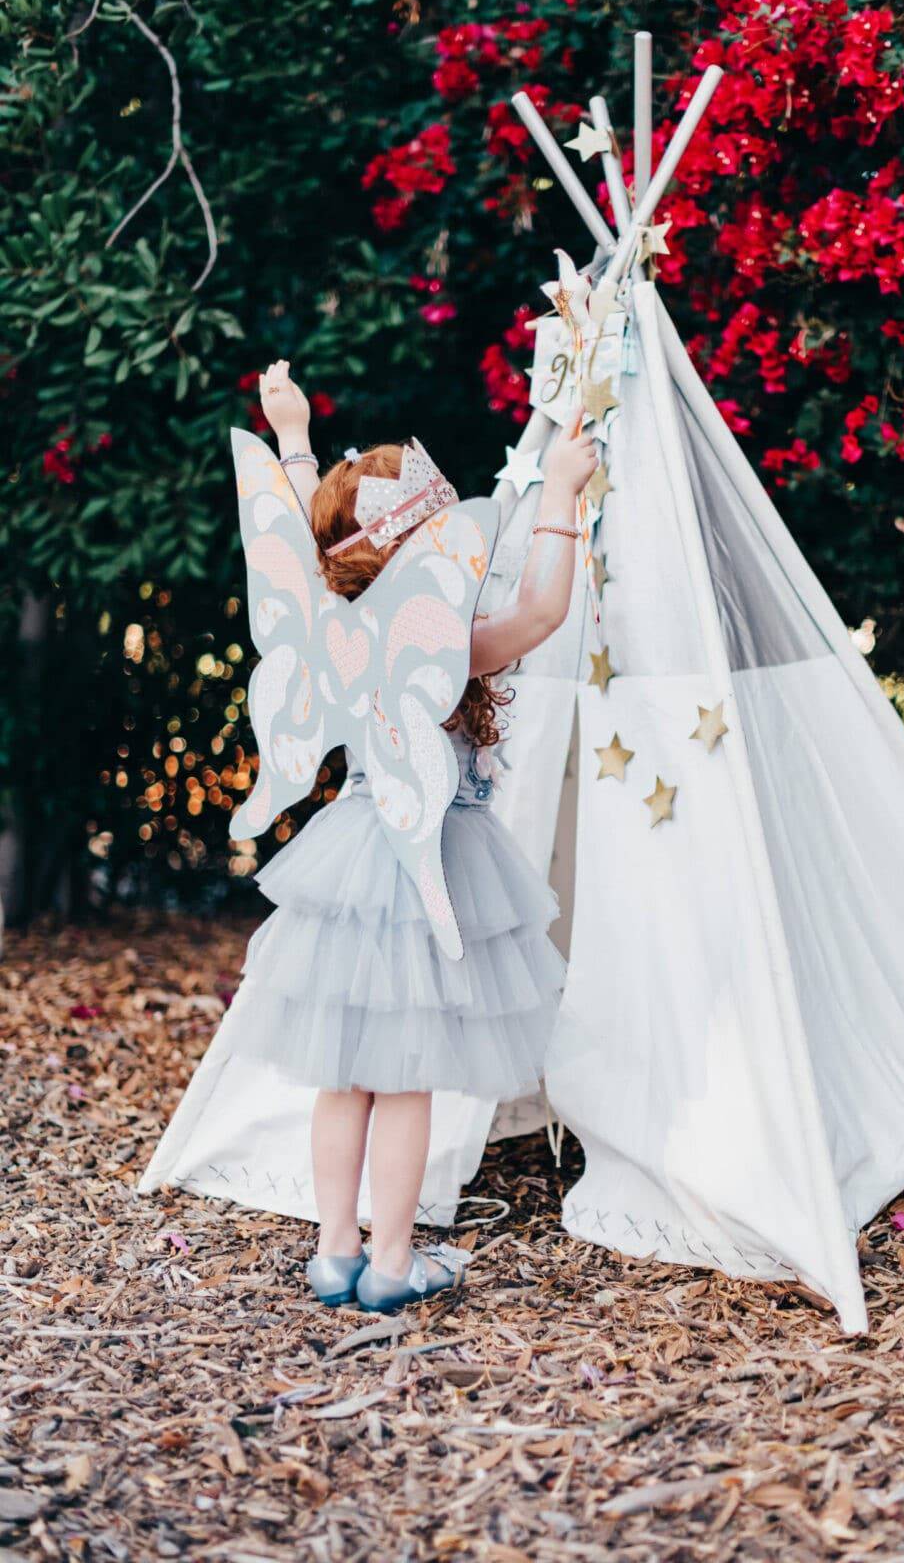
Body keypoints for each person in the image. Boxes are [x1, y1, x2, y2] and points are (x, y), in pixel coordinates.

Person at [227, 359, 596, 1313]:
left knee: (347, 1073)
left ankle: (334, 1252)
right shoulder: (444, 643)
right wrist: (559, 492)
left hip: (353, 858)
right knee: (405, 1079)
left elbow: (320, 537)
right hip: (429, 861)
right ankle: (393, 1263)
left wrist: (297, 438)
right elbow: (546, 611)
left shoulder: (333, 616)